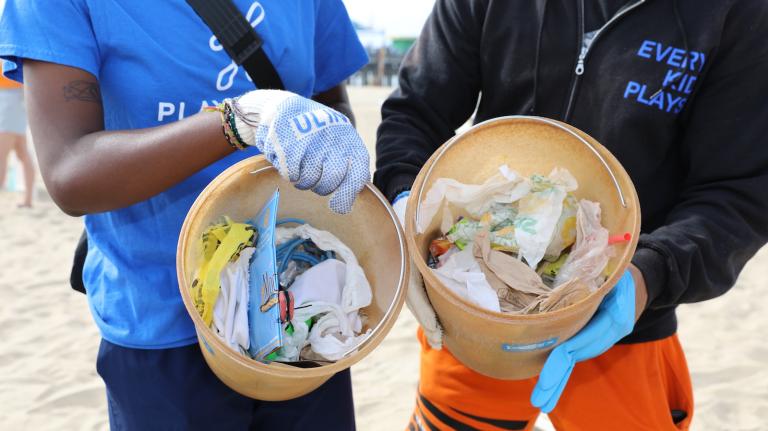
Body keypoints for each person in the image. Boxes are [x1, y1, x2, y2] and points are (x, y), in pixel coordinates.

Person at [375, 0, 768, 429]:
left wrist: (647, 276)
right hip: (473, 309)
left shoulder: (737, 12)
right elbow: (415, 112)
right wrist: (404, 207)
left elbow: (738, 192)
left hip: (623, 318)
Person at [0, 1, 370, 429]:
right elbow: (69, 173)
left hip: (301, 305)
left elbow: (332, 106)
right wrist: (237, 121)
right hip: (162, 317)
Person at [0, 66, 35, 207]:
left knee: (3, 152)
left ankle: (27, 199)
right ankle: (28, 200)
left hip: (11, 95)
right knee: (21, 152)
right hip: (12, 95)